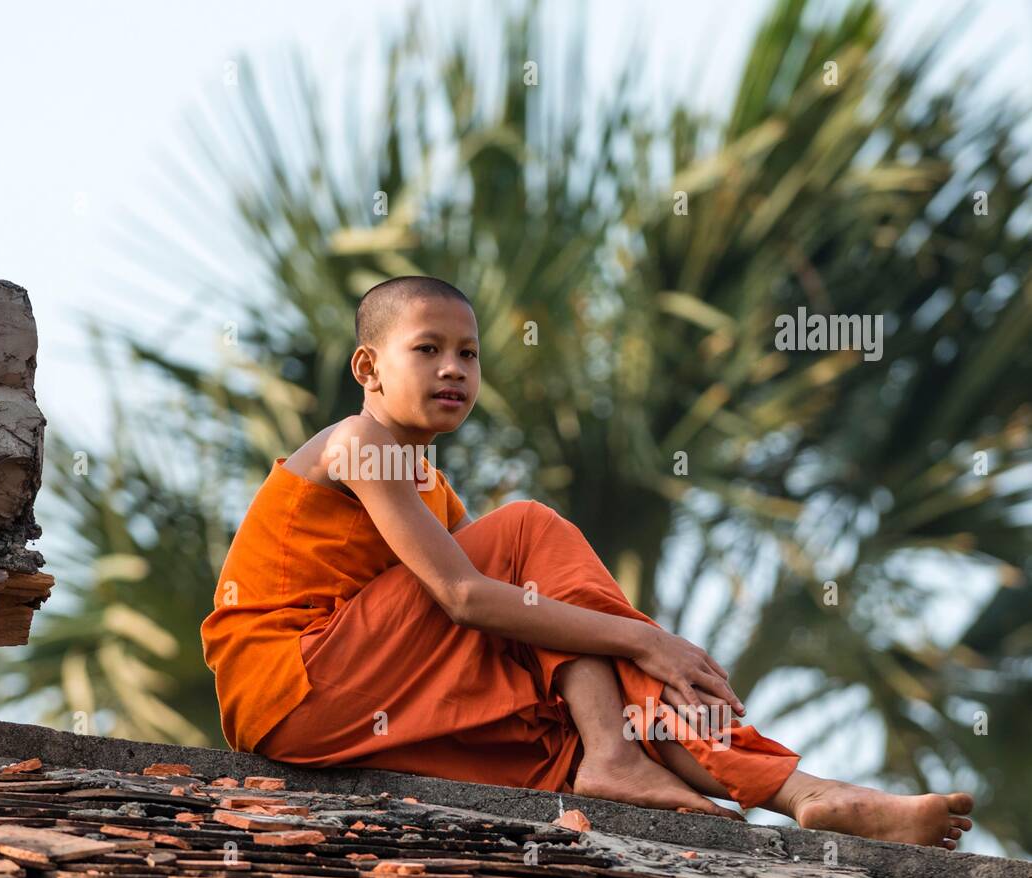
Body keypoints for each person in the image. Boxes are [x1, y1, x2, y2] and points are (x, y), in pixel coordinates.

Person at [200, 275, 974, 849]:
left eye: (469, 353)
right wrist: (644, 637)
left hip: (341, 697)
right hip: (294, 682)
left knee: (564, 700)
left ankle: (804, 789)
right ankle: (617, 754)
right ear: (368, 368)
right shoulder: (359, 444)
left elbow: (517, 612)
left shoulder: (434, 488)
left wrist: (628, 652)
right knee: (531, 529)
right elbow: (467, 595)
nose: (453, 369)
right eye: (427, 349)